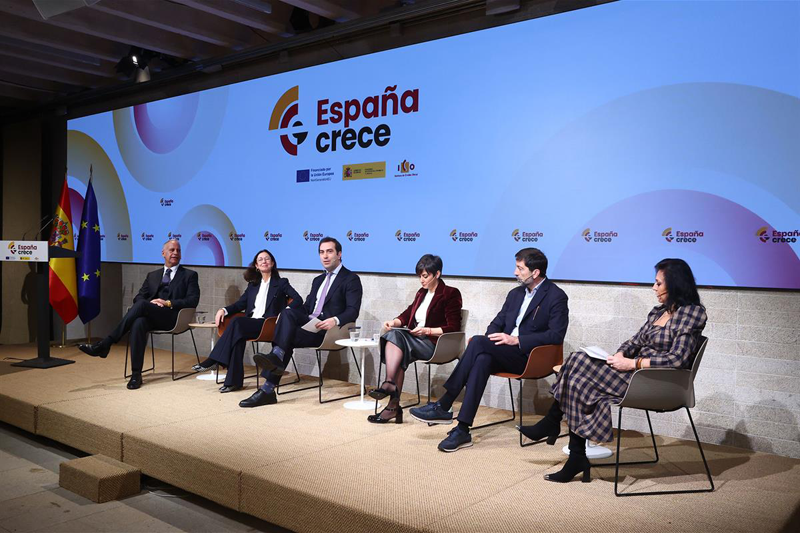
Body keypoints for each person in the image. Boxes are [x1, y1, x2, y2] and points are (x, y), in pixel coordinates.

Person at [523, 258, 707, 483]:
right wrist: (619, 355)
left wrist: (633, 363)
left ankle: (553, 423)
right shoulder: (658, 311)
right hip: (635, 375)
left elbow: (677, 359)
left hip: (657, 383)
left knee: (577, 361)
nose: (653, 288)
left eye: (658, 284)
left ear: (676, 284)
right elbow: (634, 341)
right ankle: (576, 455)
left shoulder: (691, 313)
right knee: (578, 378)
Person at [410, 248, 569, 452]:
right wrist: (495, 339)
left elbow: (556, 335)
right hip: (504, 353)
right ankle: (463, 429)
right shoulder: (515, 294)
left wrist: (516, 340)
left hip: (531, 356)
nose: (515, 272)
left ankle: (444, 404)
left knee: (477, 343)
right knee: (482, 357)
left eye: (520, 268)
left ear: (535, 272)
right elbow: (496, 323)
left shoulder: (556, 296)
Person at [238, 236, 363, 408]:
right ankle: (272, 373)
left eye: (329, 251)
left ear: (339, 254)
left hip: (328, 331)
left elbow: (352, 310)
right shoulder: (317, 280)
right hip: (310, 325)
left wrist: (334, 320)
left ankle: (268, 385)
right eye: (321, 252)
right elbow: (306, 308)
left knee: (285, 337)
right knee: (287, 315)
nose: (325, 256)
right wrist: (288, 312)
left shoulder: (351, 279)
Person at [78, 239, 200, 390]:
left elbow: (193, 300)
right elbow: (139, 297)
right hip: (153, 315)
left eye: (178, 250)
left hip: (173, 318)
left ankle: (106, 344)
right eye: (171, 250)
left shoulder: (189, 275)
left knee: (142, 306)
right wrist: (153, 303)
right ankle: (136, 374)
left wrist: (167, 302)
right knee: (138, 322)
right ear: (163, 253)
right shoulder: (153, 275)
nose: (175, 253)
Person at [368, 254, 462, 424]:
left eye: (425, 276)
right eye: (419, 276)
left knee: (396, 338)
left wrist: (428, 330)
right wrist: (394, 321)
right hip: (415, 341)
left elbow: (453, 327)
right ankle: (392, 404)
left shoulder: (450, 293)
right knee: (396, 338)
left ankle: (390, 391)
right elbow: (408, 313)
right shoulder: (421, 293)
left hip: (436, 344)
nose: (421, 280)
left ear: (437, 274)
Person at [191, 249, 302, 392]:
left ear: (273, 263)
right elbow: (240, 304)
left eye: (267, 259)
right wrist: (223, 310)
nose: (264, 261)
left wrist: (285, 312)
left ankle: (213, 360)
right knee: (237, 336)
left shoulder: (281, 283)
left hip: (269, 324)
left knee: (237, 323)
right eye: (260, 259)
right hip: (251, 324)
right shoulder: (253, 285)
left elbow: (298, 299)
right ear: (256, 265)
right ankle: (233, 382)